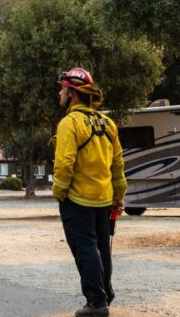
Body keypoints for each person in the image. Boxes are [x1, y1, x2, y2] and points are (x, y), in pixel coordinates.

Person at [53, 68, 127, 317]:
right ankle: (106, 294)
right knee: (102, 248)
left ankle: (96, 302)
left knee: (85, 248)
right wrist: (119, 194)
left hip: (77, 199)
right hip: (104, 198)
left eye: (63, 88)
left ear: (73, 93)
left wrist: (59, 191)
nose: (60, 92)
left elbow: (64, 163)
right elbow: (117, 164)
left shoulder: (69, 123)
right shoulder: (108, 123)